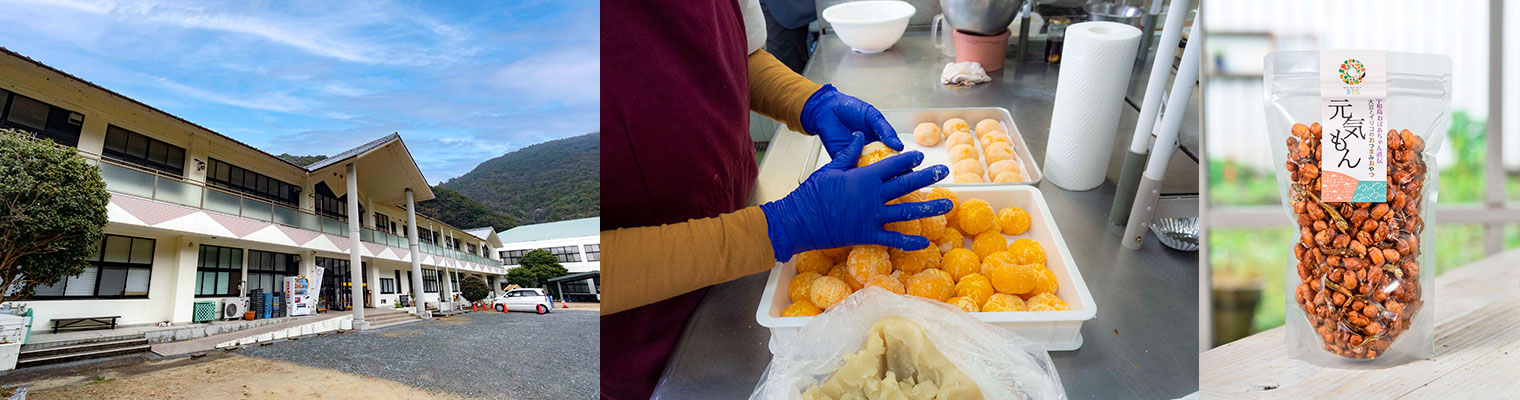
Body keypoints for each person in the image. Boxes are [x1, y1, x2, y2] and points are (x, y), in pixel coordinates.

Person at [602, 1, 951, 399]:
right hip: (650, 331)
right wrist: (784, 226)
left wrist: (808, 101)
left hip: (744, 218)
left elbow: (732, 58)